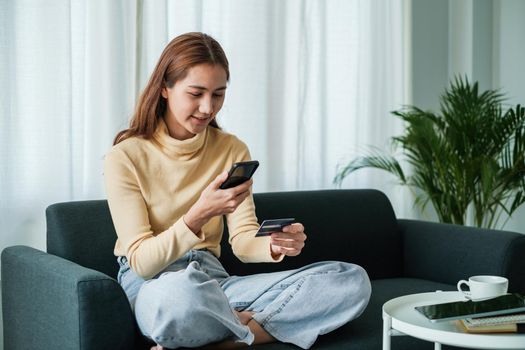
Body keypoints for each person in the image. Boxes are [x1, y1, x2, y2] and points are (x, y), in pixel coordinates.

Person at [104, 32, 371, 350]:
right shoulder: (125, 156)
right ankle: (240, 323)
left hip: (215, 282)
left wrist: (273, 245)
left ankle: (231, 340)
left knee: (350, 280)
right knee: (177, 298)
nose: (207, 108)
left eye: (218, 94)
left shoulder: (231, 149)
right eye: (196, 93)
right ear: (164, 87)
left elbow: (242, 240)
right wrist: (198, 214)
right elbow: (142, 263)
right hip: (155, 285)